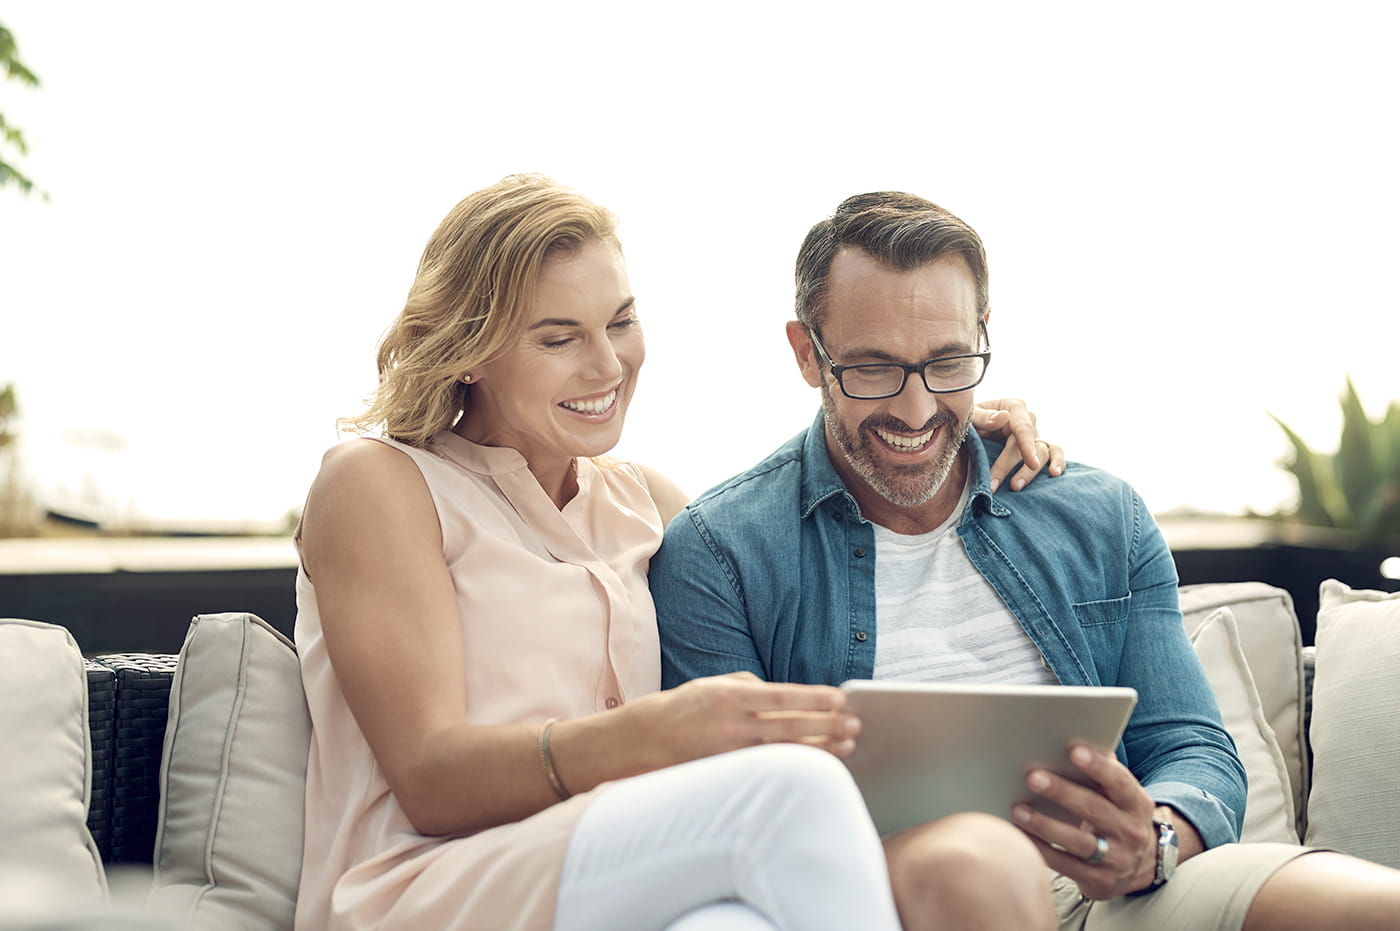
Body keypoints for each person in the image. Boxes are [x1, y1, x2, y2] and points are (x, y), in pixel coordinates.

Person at [291, 174, 1060, 931]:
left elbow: (783, 504)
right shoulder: (379, 483)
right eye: (559, 338)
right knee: (788, 790)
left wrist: (941, 426)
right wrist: (657, 732)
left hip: (623, 879)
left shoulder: (643, 503)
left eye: (620, 322)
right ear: (469, 349)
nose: (607, 364)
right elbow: (429, 777)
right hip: (429, 887)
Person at [650, 190, 1400, 931]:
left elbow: (1191, 745)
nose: (916, 411)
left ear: (984, 334)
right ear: (807, 353)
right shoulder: (720, 552)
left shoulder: (1099, 514)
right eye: (873, 369)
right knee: (974, 865)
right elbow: (731, 818)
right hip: (885, 898)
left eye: (948, 362)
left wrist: (1154, 840)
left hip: (1116, 894)